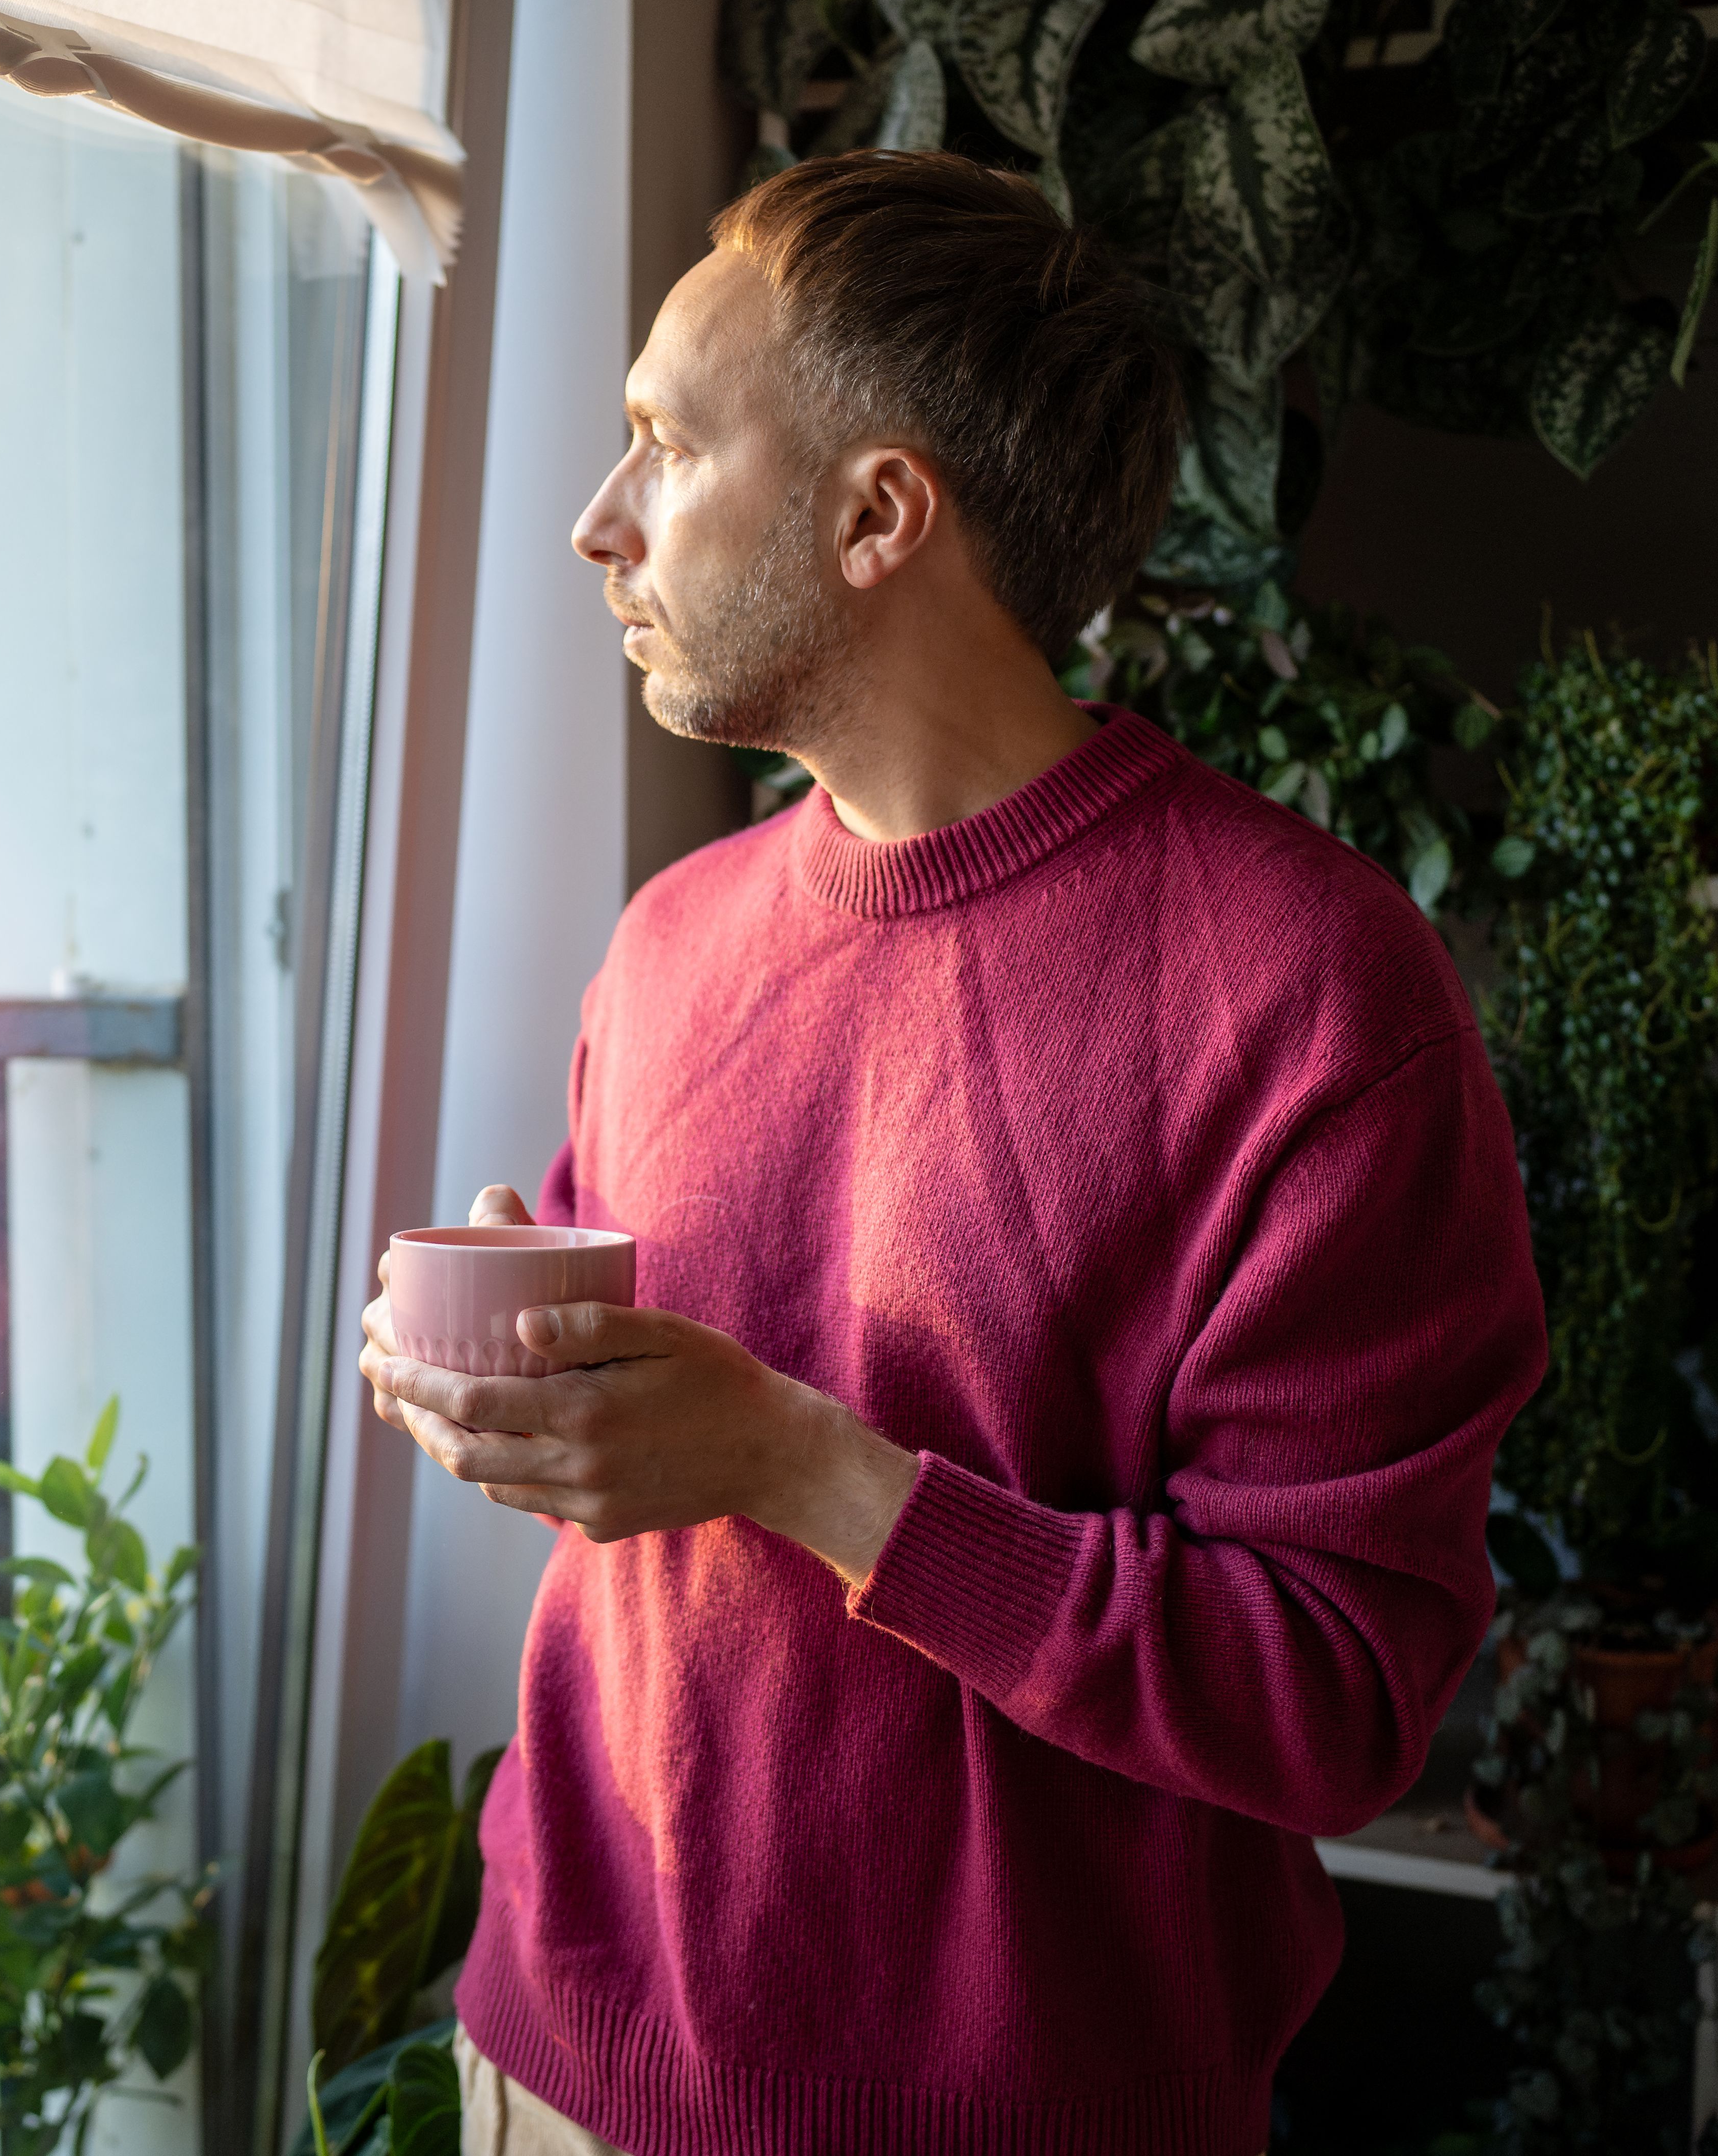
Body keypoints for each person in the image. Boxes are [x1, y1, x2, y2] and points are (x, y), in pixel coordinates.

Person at [357, 151, 1547, 2156]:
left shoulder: (1316, 990)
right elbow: (663, 1408)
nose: (596, 522)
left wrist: (798, 1465)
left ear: (877, 514)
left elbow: (1335, 1692)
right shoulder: (671, 938)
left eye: (660, 443)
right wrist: (522, 1364)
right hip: (554, 2067)